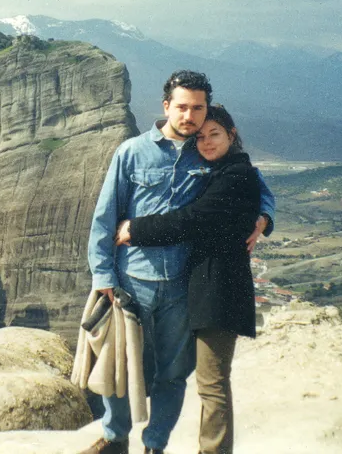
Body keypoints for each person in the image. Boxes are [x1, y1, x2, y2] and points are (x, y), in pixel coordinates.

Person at [80, 71, 274, 454]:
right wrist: (102, 273)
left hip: (183, 286)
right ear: (166, 105)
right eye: (182, 107)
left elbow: (255, 183)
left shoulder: (209, 151)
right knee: (120, 365)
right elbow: (105, 217)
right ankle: (115, 438)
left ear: (206, 111)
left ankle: (155, 444)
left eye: (197, 108)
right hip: (131, 282)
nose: (189, 116)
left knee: (172, 374)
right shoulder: (132, 152)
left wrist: (263, 217)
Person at [115, 105, 262, 454]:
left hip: (219, 292)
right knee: (196, 378)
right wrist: (265, 217)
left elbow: (190, 219)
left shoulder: (236, 173)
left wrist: (135, 229)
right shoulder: (218, 169)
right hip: (199, 290)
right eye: (201, 136)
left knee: (211, 384)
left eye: (215, 134)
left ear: (232, 134)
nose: (207, 142)